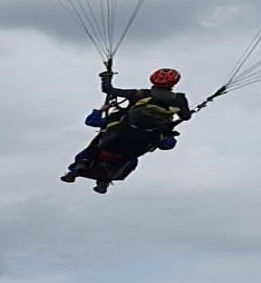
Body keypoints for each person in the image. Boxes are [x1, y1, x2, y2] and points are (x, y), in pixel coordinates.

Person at [64, 68, 192, 192]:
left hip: (121, 132)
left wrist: (106, 77)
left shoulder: (139, 94)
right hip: (147, 140)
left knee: (97, 142)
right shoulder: (179, 99)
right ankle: (105, 181)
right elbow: (185, 116)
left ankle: (81, 165)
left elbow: (108, 90)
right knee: (164, 144)